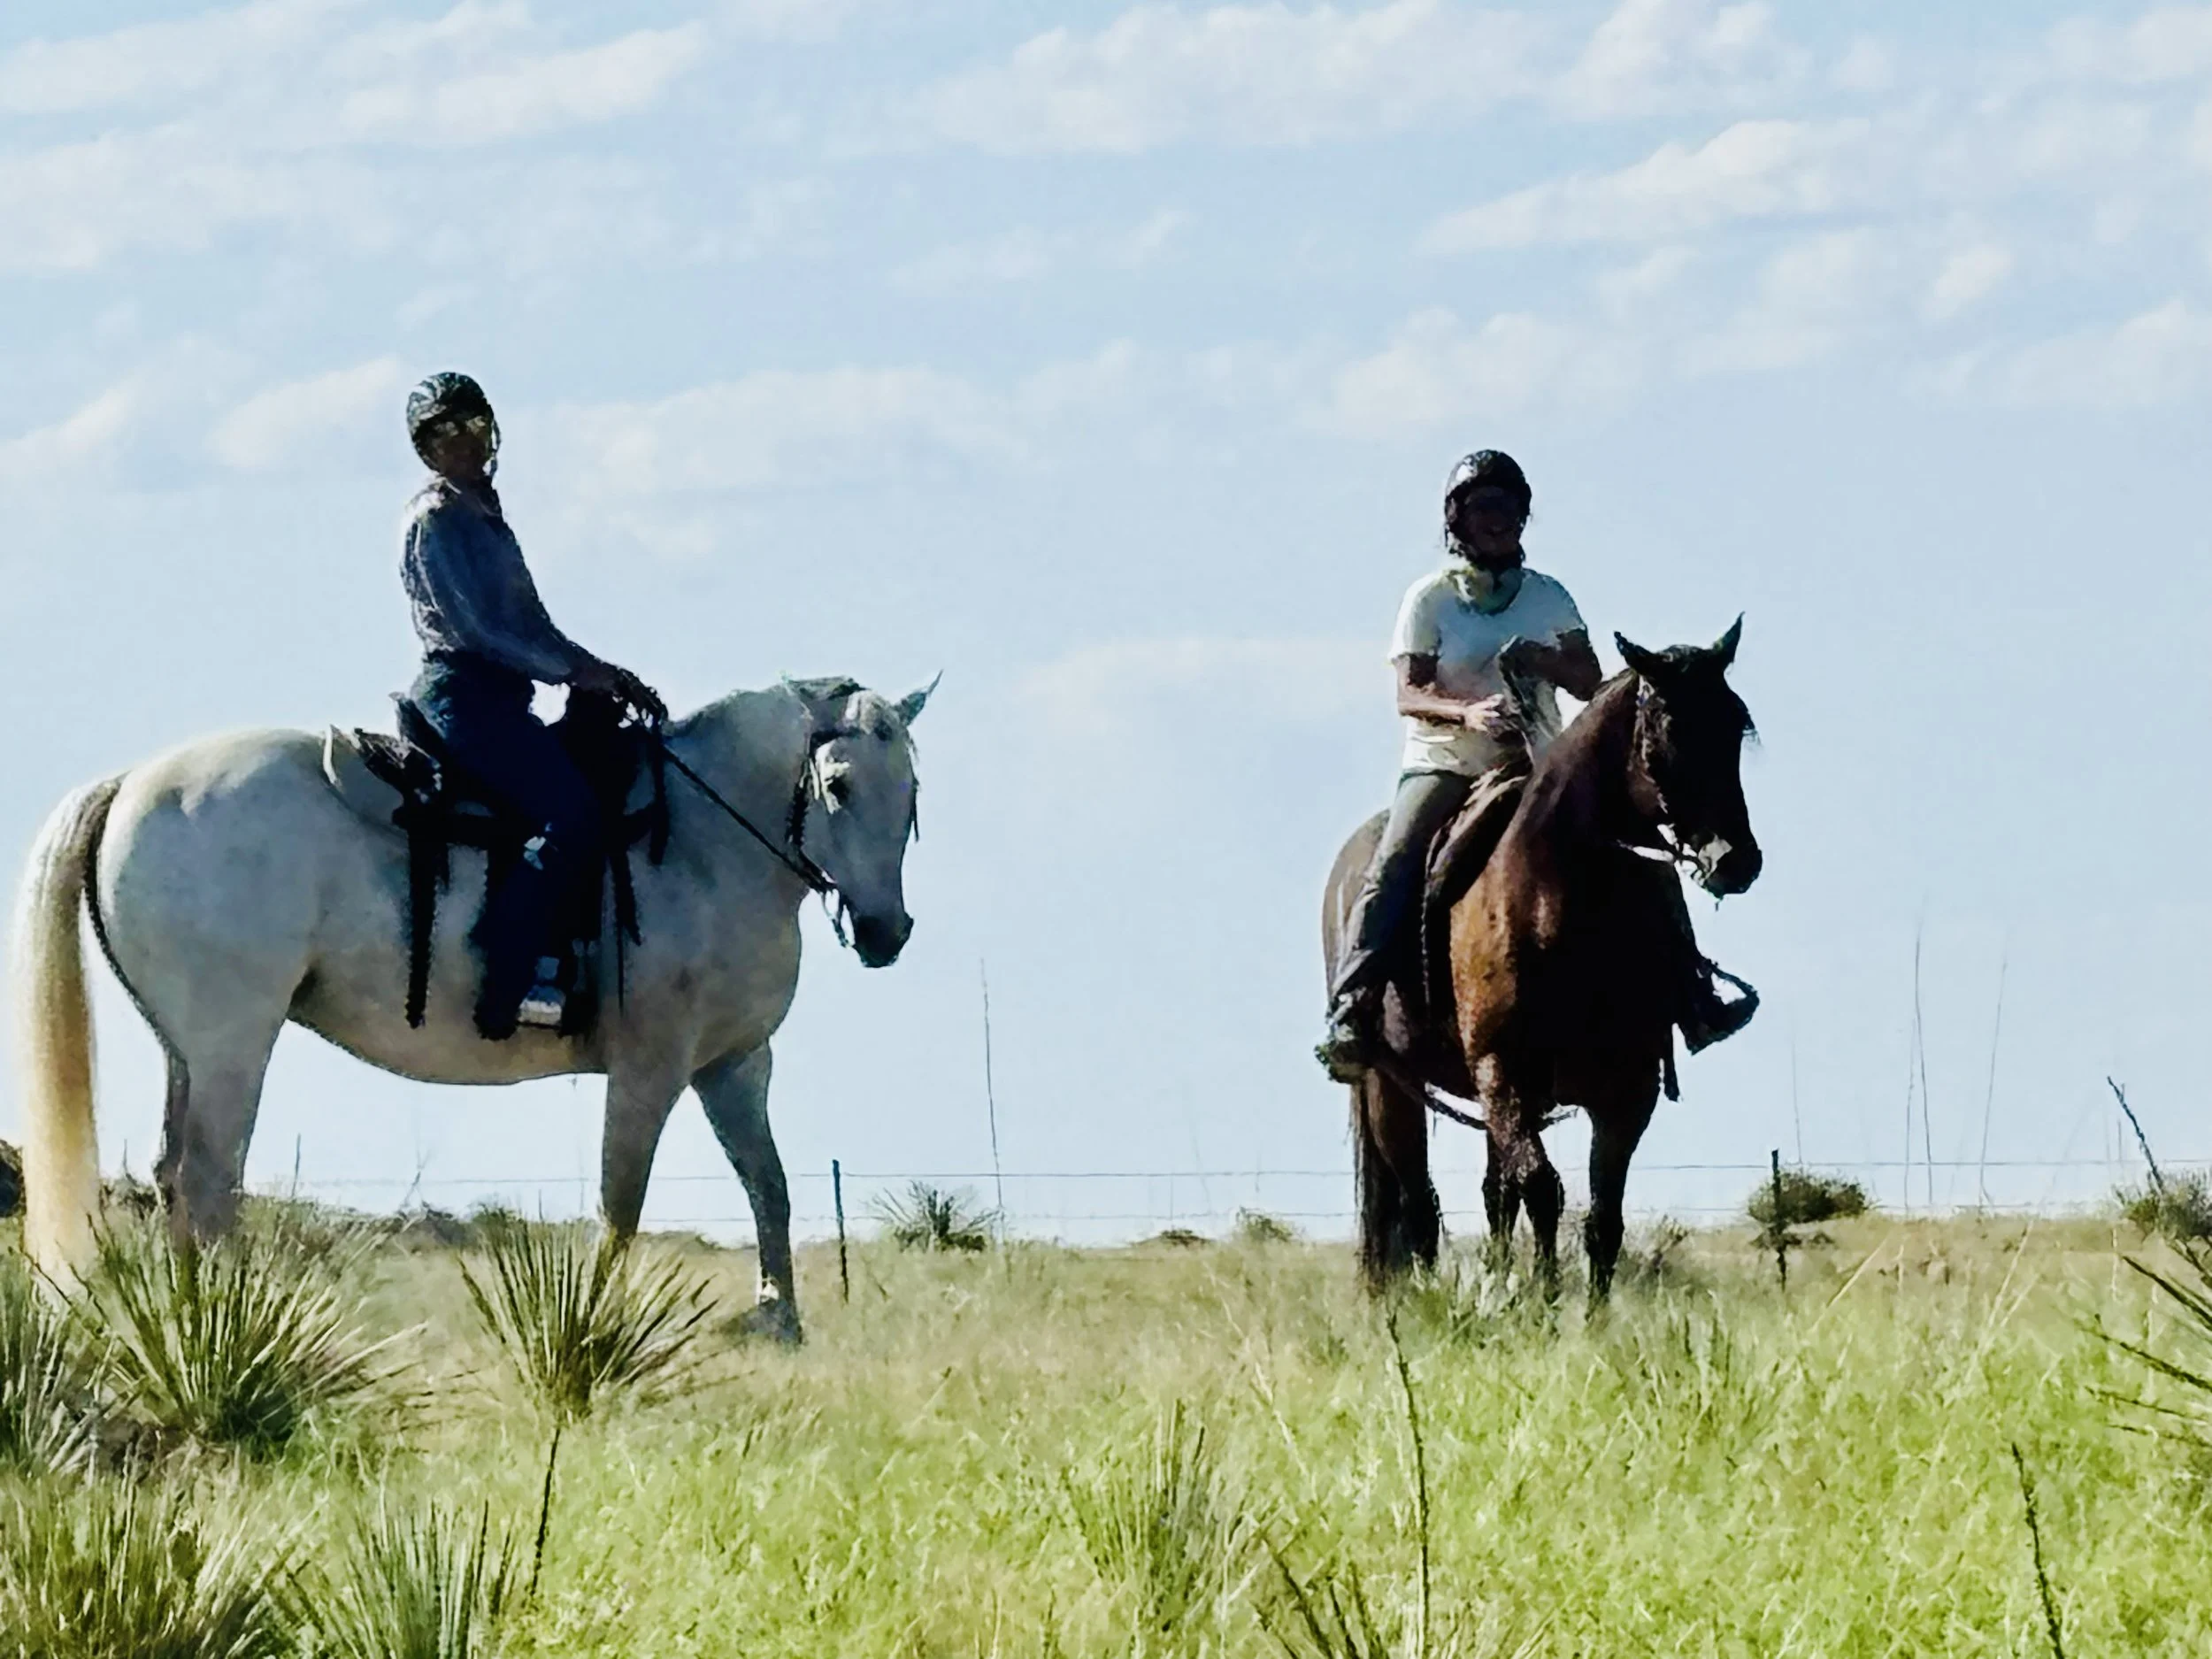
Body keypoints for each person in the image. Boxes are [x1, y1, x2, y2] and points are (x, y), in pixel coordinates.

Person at [1316, 449, 1755, 1082]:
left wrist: (1544, 663)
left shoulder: (1548, 595)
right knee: (1395, 860)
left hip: (1539, 764)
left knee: (1644, 852)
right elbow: (1408, 692)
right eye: (1485, 509)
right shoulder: (1429, 599)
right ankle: (1354, 1007)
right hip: (1447, 763)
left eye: (1511, 509)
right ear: (1458, 520)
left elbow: (1588, 679)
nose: (1500, 521)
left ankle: (1694, 998)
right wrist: (1467, 713)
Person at [399, 372, 665, 1037]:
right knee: (571, 814)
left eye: (471, 426)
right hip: (462, 698)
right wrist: (573, 671)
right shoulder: (435, 520)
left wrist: (606, 674)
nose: (461, 443)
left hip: (501, 696)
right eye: (443, 434)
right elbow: (479, 630)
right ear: (425, 451)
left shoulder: (489, 520)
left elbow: (534, 626)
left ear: (491, 430)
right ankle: (509, 978)